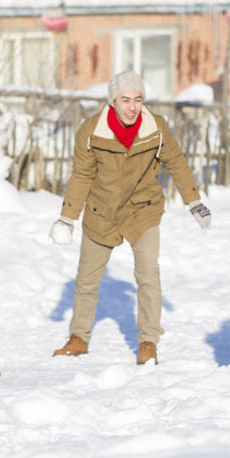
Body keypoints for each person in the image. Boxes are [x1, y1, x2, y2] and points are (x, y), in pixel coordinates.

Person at [49, 70, 211, 365]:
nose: (133, 106)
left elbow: (176, 162)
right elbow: (82, 175)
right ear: (113, 101)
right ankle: (79, 337)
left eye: (138, 99)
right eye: (125, 99)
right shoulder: (91, 131)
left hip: (142, 209)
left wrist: (194, 201)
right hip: (102, 211)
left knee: (148, 275)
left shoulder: (155, 128)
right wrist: (67, 217)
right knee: (86, 279)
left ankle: (149, 340)